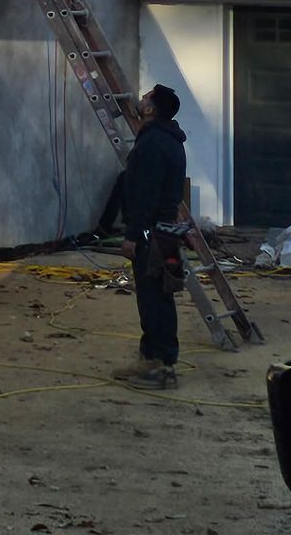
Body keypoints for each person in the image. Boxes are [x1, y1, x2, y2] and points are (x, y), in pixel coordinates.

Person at [113, 84, 189, 389]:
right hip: (164, 231)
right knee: (157, 296)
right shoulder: (169, 140)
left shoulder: (153, 144)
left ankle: (161, 366)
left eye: (145, 98)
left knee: (154, 298)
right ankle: (150, 359)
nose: (140, 99)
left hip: (151, 234)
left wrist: (133, 235)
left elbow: (146, 194)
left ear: (150, 110)